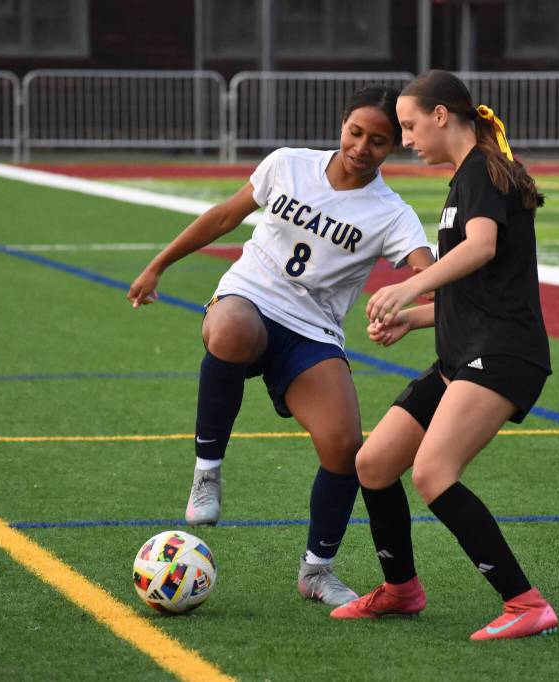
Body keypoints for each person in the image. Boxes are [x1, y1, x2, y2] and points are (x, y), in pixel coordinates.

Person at [126, 86, 434, 606]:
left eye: (379, 141)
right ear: (342, 124)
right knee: (230, 331)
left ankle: (316, 570)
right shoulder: (288, 164)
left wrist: (414, 307)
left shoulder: (391, 213)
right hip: (249, 297)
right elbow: (224, 216)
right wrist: (158, 265)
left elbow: (431, 275)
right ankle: (207, 474)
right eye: (355, 132)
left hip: (313, 331)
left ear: (395, 146)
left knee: (345, 448)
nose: (362, 147)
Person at [329, 70, 558, 641]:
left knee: (432, 473)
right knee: (374, 462)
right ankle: (401, 590)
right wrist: (413, 317)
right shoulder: (467, 176)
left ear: (440, 116)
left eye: (409, 126)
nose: (405, 139)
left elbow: (482, 248)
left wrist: (410, 286)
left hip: (503, 353)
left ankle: (525, 603)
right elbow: (480, 289)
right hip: (466, 352)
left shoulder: (479, 170)